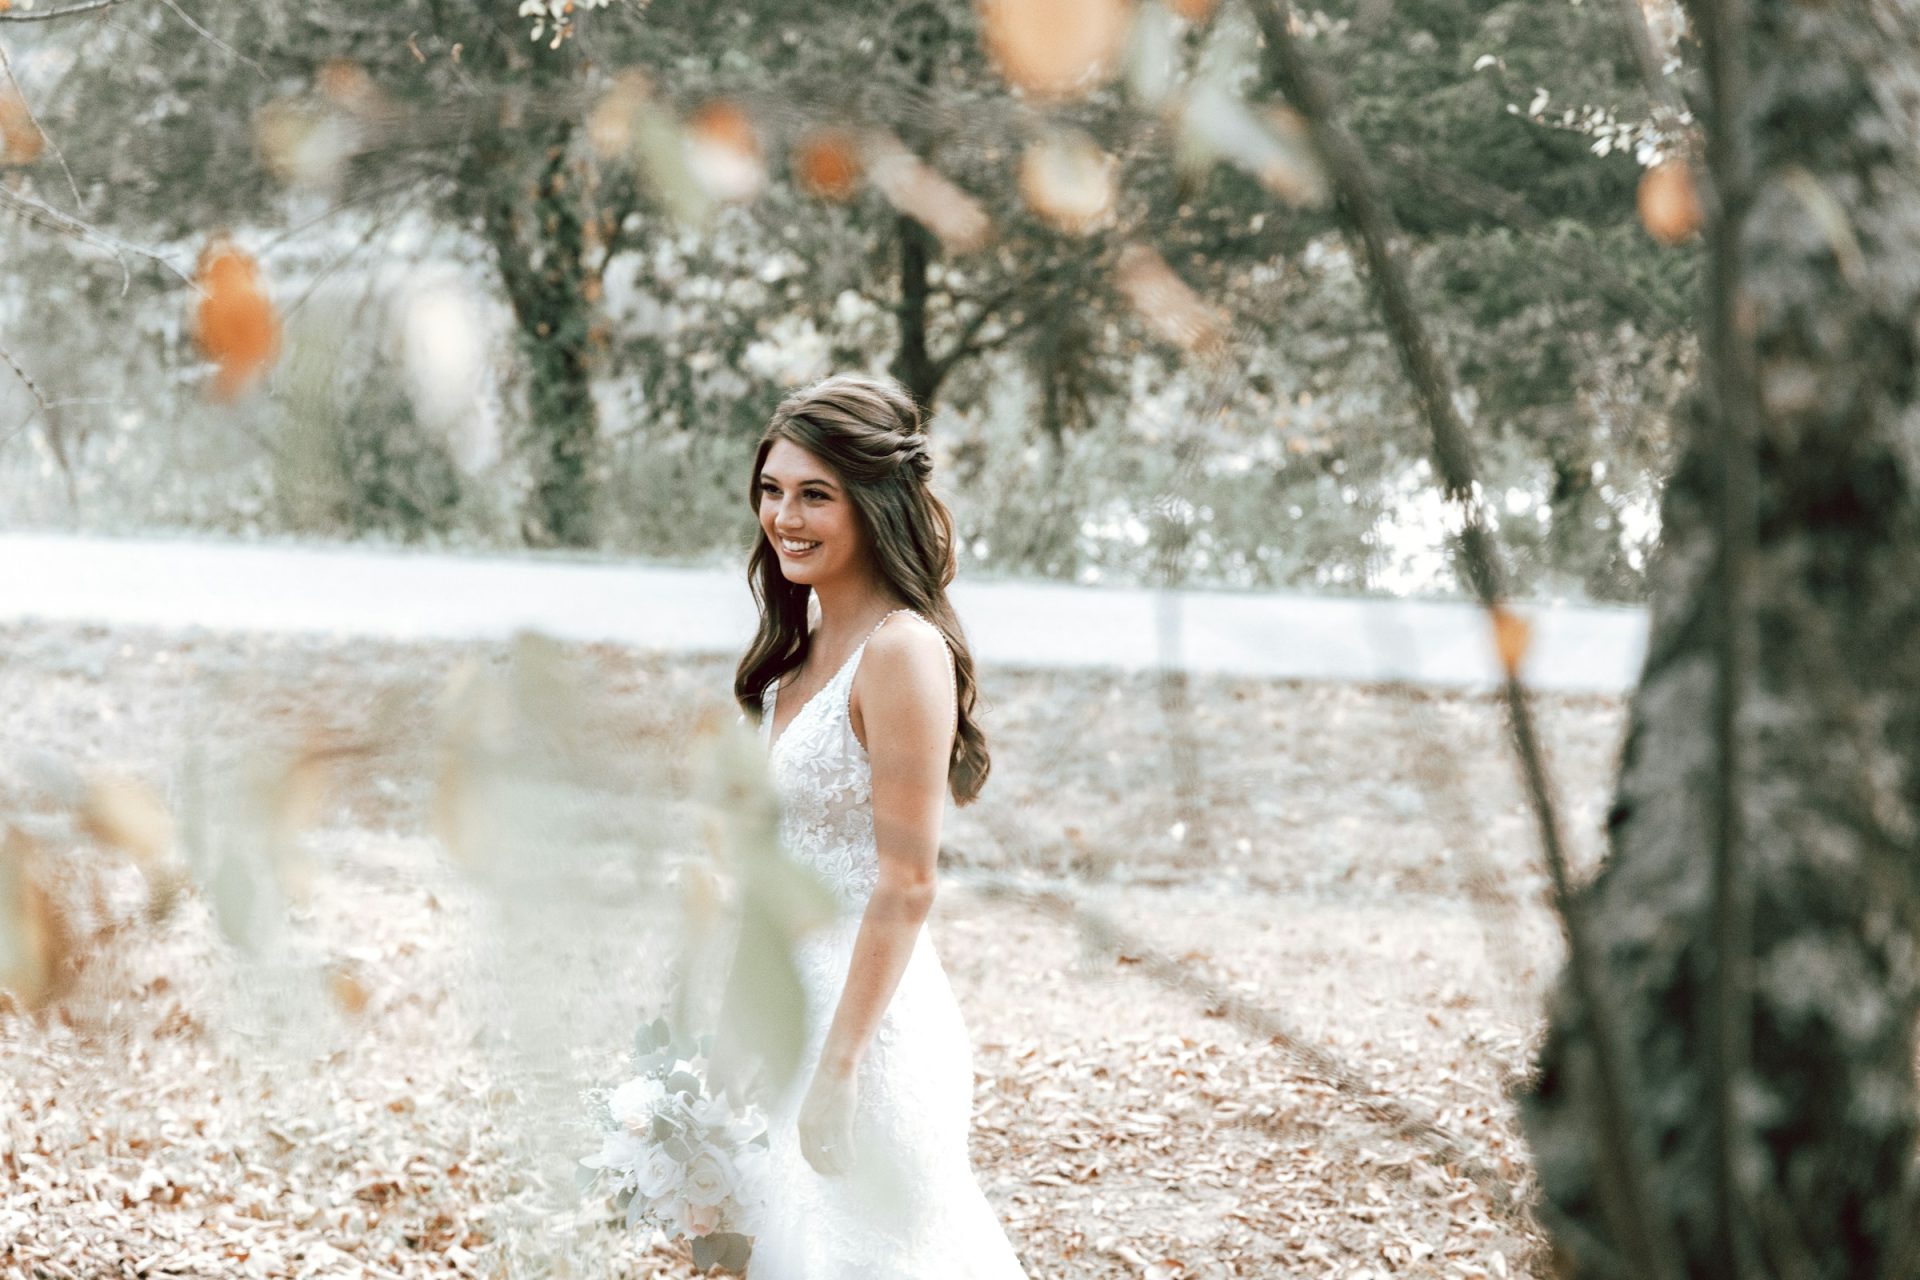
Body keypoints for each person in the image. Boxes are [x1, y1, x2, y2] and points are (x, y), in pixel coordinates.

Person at [728, 373, 1027, 1278]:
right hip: (792, 1018)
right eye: (773, 490)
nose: (785, 517)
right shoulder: (796, 657)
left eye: (815, 495)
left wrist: (840, 1064)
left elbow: (908, 880)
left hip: (870, 1038)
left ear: (874, 503)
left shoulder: (900, 652)